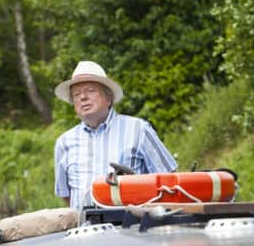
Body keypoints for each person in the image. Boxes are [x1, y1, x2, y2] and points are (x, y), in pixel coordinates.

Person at [54, 61, 177, 209]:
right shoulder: (64, 142)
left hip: (134, 227)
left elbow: (170, 181)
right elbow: (66, 195)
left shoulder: (138, 129)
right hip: (85, 229)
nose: (83, 97)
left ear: (109, 98)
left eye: (91, 90)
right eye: (76, 94)